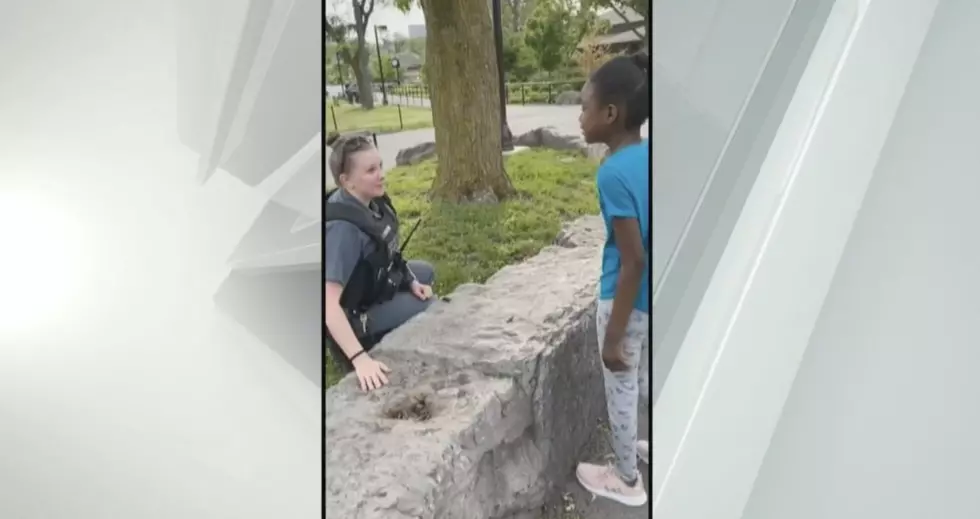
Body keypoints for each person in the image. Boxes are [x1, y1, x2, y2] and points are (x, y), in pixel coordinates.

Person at [574, 52, 651, 506]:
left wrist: (613, 336)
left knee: (621, 388)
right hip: (655, 299)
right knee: (648, 378)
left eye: (584, 107)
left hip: (625, 300)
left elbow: (632, 259)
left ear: (610, 114)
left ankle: (626, 480)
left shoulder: (612, 173)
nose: (579, 116)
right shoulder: (650, 155)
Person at [324, 134, 436, 392]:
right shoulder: (342, 231)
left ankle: (393, 314)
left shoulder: (372, 201)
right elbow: (328, 306)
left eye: (381, 166)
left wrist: (411, 281)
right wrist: (359, 359)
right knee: (430, 304)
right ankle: (368, 341)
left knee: (426, 273)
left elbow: (389, 252)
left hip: (371, 286)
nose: (381, 175)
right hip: (352, 315)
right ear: (346, 181)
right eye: (371, 170)